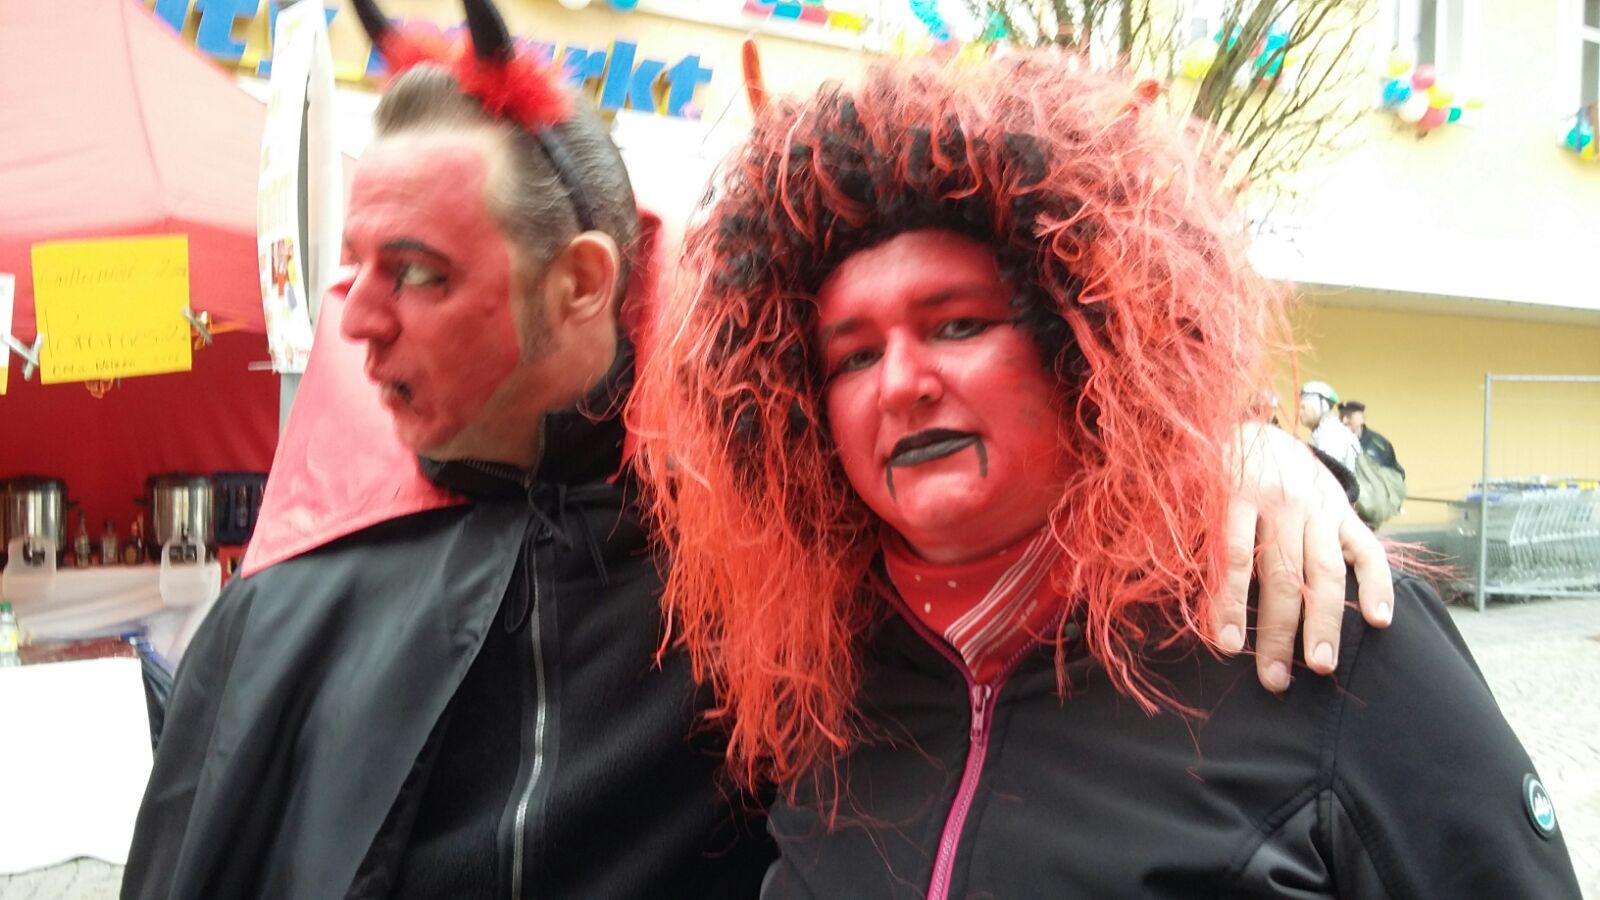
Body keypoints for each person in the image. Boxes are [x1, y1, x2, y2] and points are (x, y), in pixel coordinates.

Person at [121, 7, 1390, 896]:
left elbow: (1015, 468)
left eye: (416, 271)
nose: (353, 318)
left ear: (581, 283)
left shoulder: (771, 525)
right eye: (350, 269)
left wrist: (1238, 451)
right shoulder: (290, 601)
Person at [633, 54, 1582, 897]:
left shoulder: (1317, 613)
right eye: (853, 356)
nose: (901, 384)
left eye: (958, 324)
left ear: (1086, 344)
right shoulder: (822, 678)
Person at [1300, 379, 1360, 475]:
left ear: (1319, 408)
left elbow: (1325, 475)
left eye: (1303, 408)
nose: (1299, 413)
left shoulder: (1331, 434)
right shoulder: (1322, 431)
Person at [1341, 399, 1405, 476]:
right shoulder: (1333, 442)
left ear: (1362, 419)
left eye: (1349, 416)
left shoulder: (1379, 444)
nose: (1344, 421)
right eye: (1341, 416)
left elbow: (1396, 474)